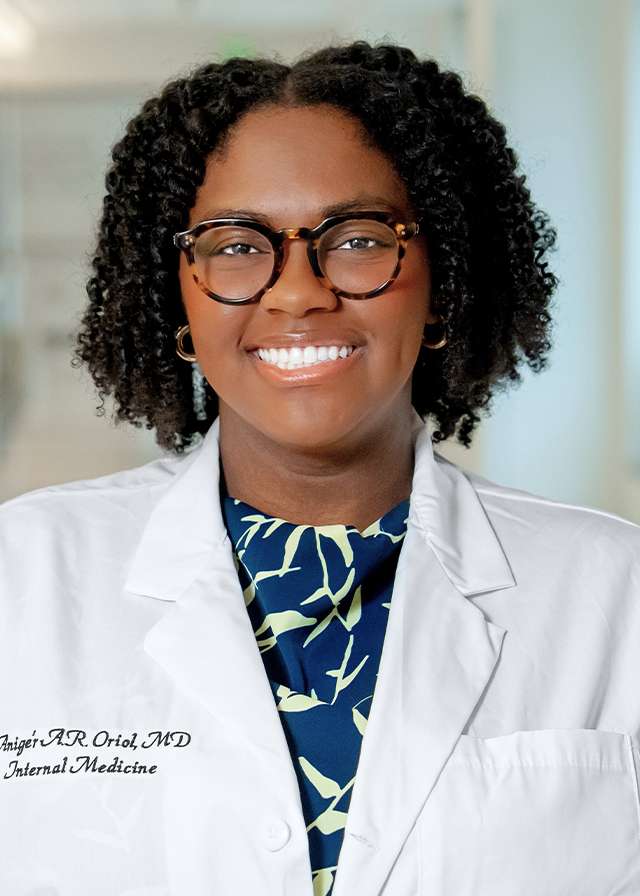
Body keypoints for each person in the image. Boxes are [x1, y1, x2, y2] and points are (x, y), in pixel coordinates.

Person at [0, 38, 639, 896]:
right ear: (176, 297)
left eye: (359, 238)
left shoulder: (615, 594)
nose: (297, 291)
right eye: (235, 246)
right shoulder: (24, 575)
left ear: (440, 282)